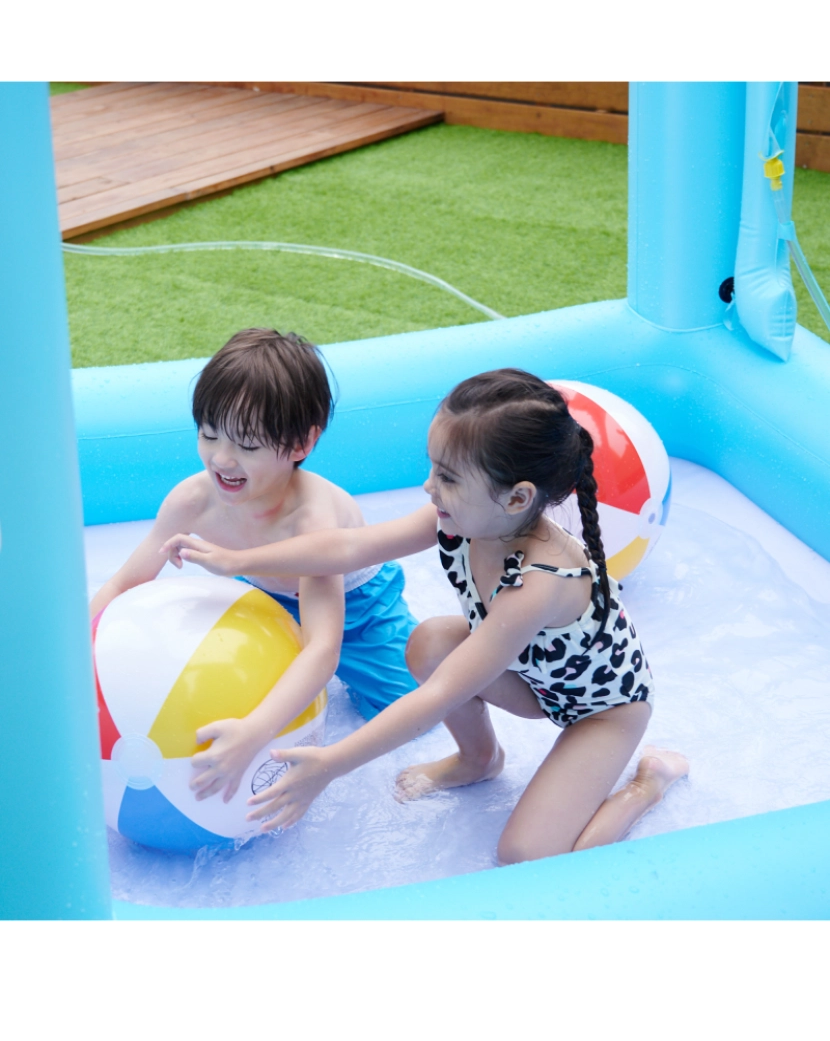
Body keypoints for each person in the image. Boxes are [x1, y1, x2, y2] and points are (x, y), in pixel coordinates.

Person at [162, 368, 688, 863]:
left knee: (526, 857)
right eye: (433, 468)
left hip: (600, 711)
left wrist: (331, 765)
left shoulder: (540, 582)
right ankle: (480, 759)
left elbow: (441, 695)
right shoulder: (460, 517)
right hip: (534, 680)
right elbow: (348, 548)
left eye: (449, 477)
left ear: (516, 497)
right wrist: (238, 561)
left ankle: (648, 785)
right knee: (430, 642)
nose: (428, 487)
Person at [90, 328, 418, 804]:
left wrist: (256, 732)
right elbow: (125, 581)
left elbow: (322, 648)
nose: (221, 458)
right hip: (261, 598)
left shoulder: (313, 520)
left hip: (359, 607)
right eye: (208, 434)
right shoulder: (193, 501)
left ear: (302, 443)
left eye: (247, 445)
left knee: (406, 714)